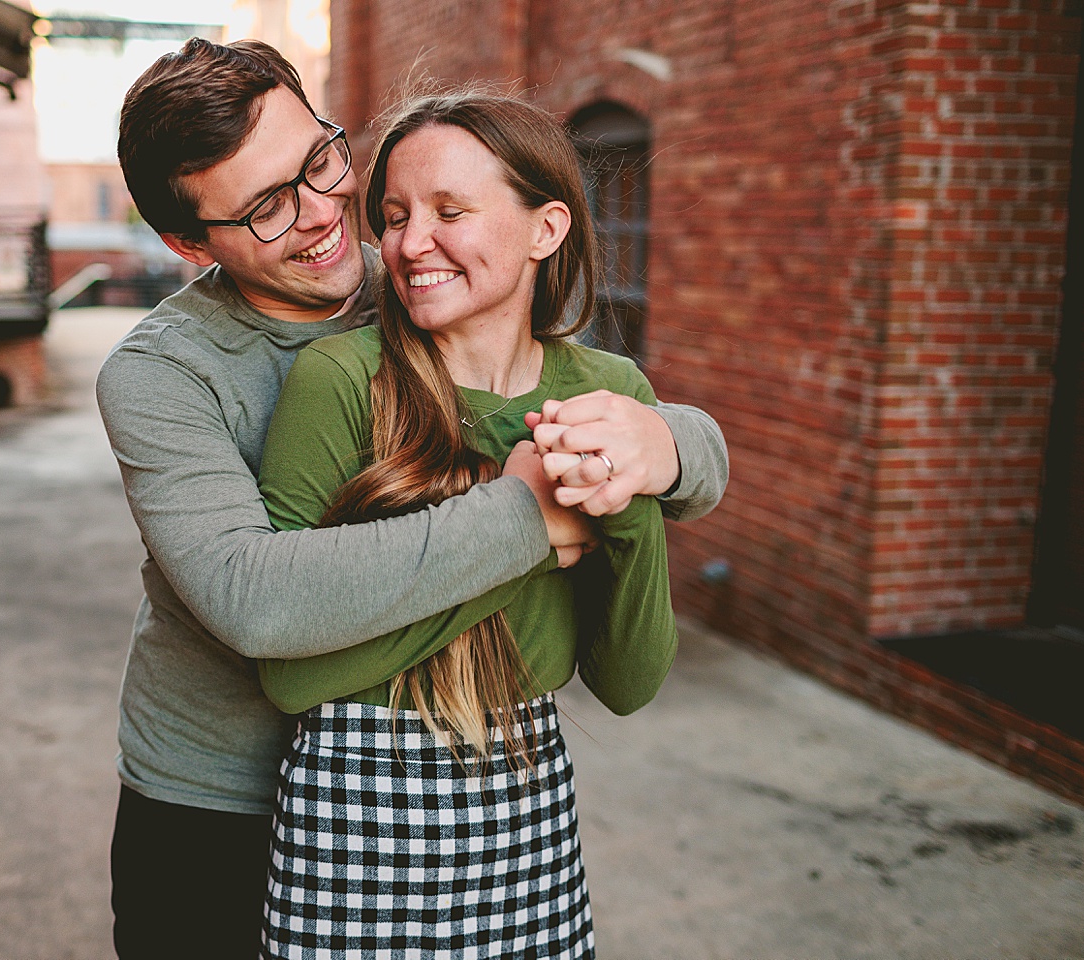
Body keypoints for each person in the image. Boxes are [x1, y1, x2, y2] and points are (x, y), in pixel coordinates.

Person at [97, 38, 728, 958]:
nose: (323, 217)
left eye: (318, 162)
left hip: (453, 786)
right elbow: (254, 598)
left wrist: (668, 444)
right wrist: (526, 516)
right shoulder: (161, 375)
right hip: (215, 797)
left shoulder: (420, 273)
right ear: (190, 243)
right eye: (268, 208)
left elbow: (629, 414)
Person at [254, 86, 678, 959]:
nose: (410, 246)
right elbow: (292, 680)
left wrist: (626, 513)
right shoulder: (340, 380)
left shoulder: (607, 398)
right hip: (350, 824)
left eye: (451, 211)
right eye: (397, 215)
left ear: (546, 229)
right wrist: (526, 532)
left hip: (527, 819)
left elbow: (630, 684)